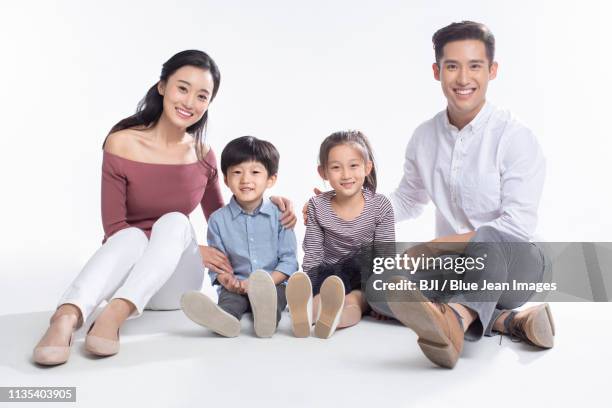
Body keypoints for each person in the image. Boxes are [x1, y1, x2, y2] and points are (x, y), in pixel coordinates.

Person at [33, 51, 296, 366]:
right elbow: (114, 228)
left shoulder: (202, 155)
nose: (189, 102)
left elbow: (227, 219)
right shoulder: (121, 143)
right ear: (162, 86)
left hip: (174, 284)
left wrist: (273, 201)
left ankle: (114, 316)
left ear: (209, 103)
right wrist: (194, 248)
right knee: (130, 236)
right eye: (182, 88)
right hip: (124, 275)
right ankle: (66, 317)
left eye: (202, 96)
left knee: (174, 221)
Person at [376, 21, 555, 368]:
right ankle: (508, 321)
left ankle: (454, 322)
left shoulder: (515, 137)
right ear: (436, 71)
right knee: (382, 283)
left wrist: (431, 246)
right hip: (457, 268)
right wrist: (351, 206)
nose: (463, 79)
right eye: (452, 66)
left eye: (475, 66)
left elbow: (514, 228)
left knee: (488, 235)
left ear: (492, 70)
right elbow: (408, 200)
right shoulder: (424, 137)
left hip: (518, 265)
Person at [181, 136, 298, 338]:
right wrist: (227, 280)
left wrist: (264, 283)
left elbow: (289, 262)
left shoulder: (281, 215)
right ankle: (224, 320)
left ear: (271, 179)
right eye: (237, 172)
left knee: (274, 298)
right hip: (237, 284)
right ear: (226, 179)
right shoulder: (218, 220)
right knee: (230, 301)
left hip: (273, 284)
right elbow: (217, 262)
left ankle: (266, 320)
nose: (245, 179)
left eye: (255, 172)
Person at [287, 130, 395, 339]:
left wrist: (381, 297)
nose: (346, 175)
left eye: (353, 166)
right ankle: (307, 314)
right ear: (323, 172)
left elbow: (385, 256)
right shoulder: (317, 206)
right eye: (336, 168)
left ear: (367, 167)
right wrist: (310, 286)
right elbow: (313, 253)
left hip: (366, 275)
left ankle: (331, 318)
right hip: (330, 278)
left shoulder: (380, 206)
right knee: (331, 296)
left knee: (356, 297)